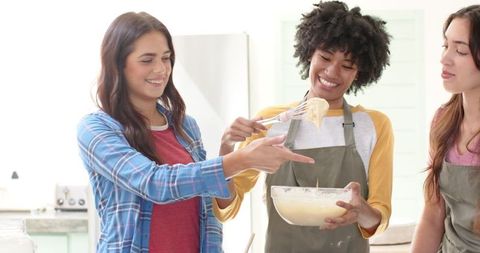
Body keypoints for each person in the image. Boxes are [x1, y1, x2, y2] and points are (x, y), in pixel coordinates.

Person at [76, 11, 314, 253]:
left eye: (166, 58)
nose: (161, 69)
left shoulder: (185, 127)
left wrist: (227, 148)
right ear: (118, 64)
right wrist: (241, 159)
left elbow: (211, 209)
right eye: (147, 60)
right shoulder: (97, 129)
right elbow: (155, 183)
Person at [212, 1, 394, 252]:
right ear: (309, 53)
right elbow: (227, 208)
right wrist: (226, 148)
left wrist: (361, 210)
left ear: (359, 73)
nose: (332, 72)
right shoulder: (272, 122)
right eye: (326, 57)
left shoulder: (373, 125)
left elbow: (379, 218)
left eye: (347, 65)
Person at [411, 5, 480, 253]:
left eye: (460, 50)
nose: (445, 58)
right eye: (445, 45)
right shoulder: (443, 121)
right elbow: (432, 215)